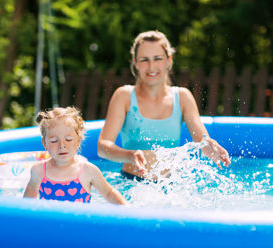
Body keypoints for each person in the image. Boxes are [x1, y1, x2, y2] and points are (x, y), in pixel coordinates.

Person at [97, 30, 231, 180]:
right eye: (144, 60)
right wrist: (130, 155)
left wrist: (210, 147)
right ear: (135, 63)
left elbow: (201, 141)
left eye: (157, 58)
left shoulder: (182, 97)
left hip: (169, 186)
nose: (151, 66)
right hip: (131, 183)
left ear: (168, 60)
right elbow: (103, 147)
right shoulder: (124, 96)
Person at [24, 106, 127, 205]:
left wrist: (128, 210)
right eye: (54, 141)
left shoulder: (88, 170)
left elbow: (109, 193)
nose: (62, 145)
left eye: (68, 139)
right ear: (45, 144)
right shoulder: (38, 171)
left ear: (78, 141)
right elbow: (26, 204)